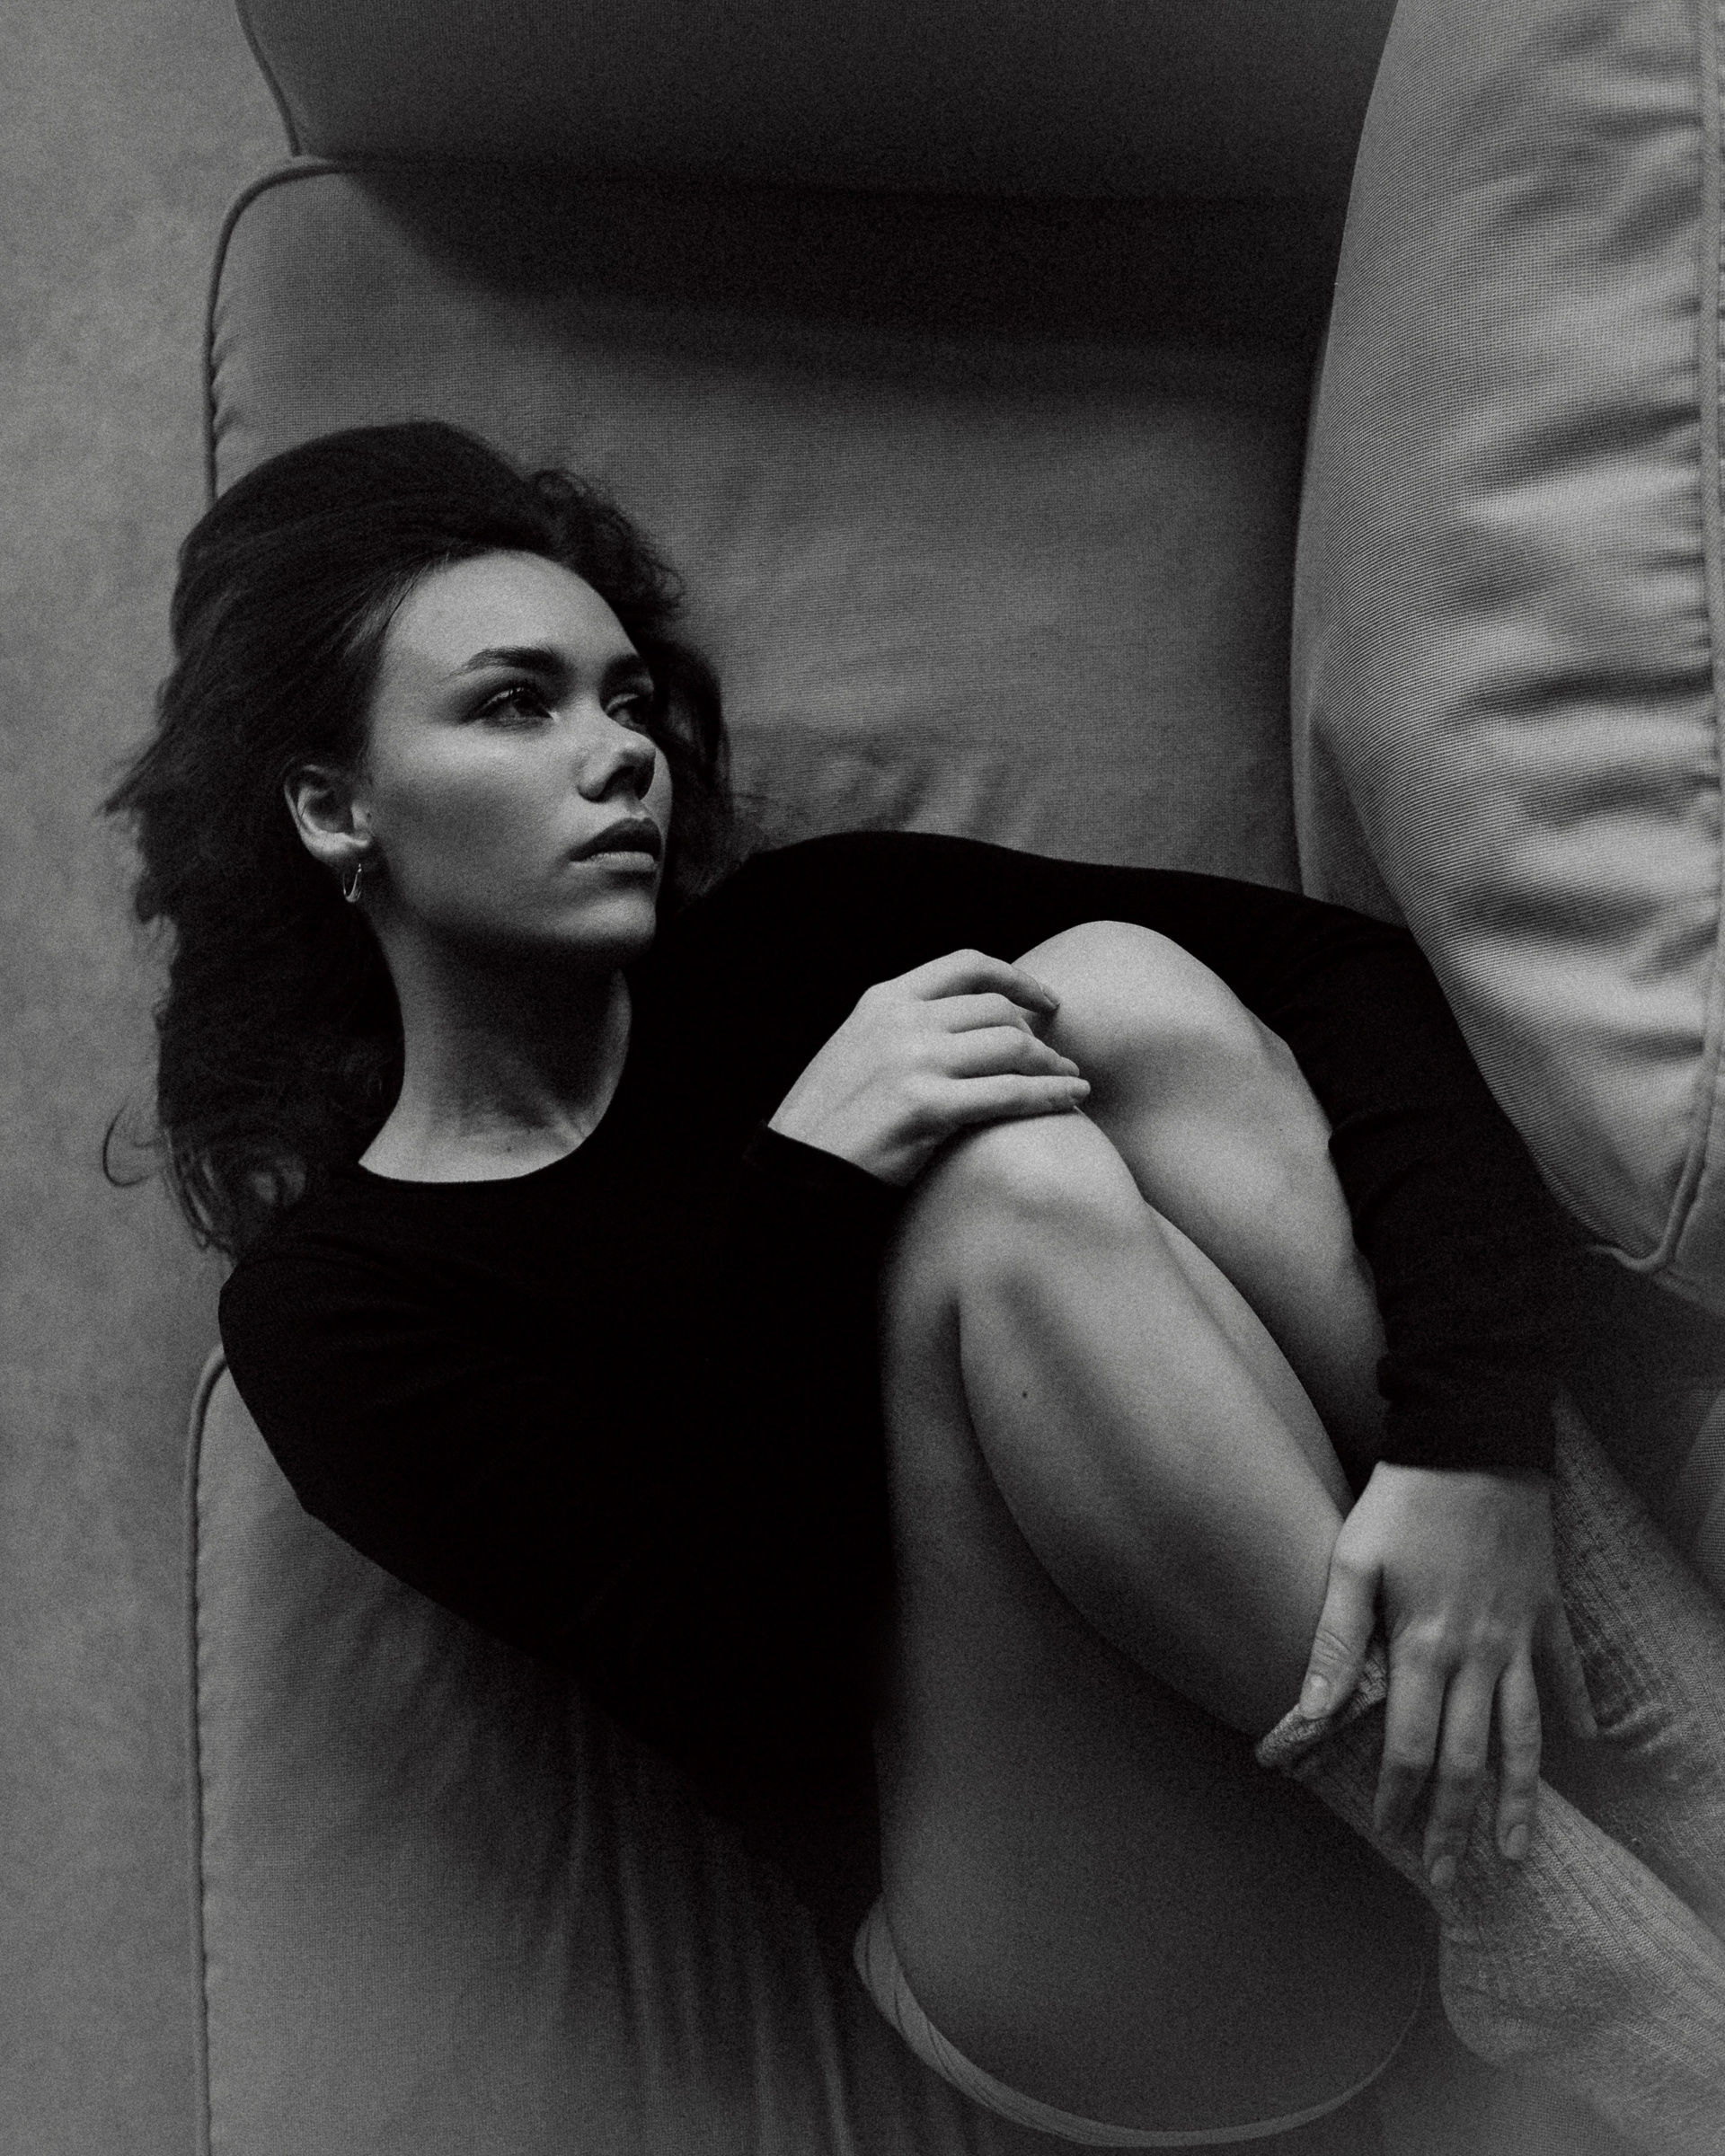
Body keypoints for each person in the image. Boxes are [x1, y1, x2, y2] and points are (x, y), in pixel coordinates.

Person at [106, 421, 1725, 2152]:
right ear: (336, 809)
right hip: (1114, 1941)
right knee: (1010, 1194)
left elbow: (1356, 988)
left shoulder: (810, 938)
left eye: (627, 700)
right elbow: (741, 1653)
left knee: (1110, 984)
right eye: (516, 705)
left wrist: (1471, 1449)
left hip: (1388, 1663)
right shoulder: (338, 1307)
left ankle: (1655, 1716)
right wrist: (815, 1187)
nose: (618, 754)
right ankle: (1553, 1928)